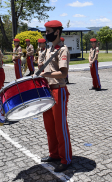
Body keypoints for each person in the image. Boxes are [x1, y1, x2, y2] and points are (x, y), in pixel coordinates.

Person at [39, 20, 72, 173]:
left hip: (59, 90)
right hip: (47, 91)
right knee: (49, 126)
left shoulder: (62, 50)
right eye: (46, 31)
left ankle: (66, 158)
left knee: (60, 127)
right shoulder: (49, 49)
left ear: (57, 32)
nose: (46, 34)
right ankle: (54, 154)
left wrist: (46, 73)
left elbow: (64, 74)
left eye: (48, 31)